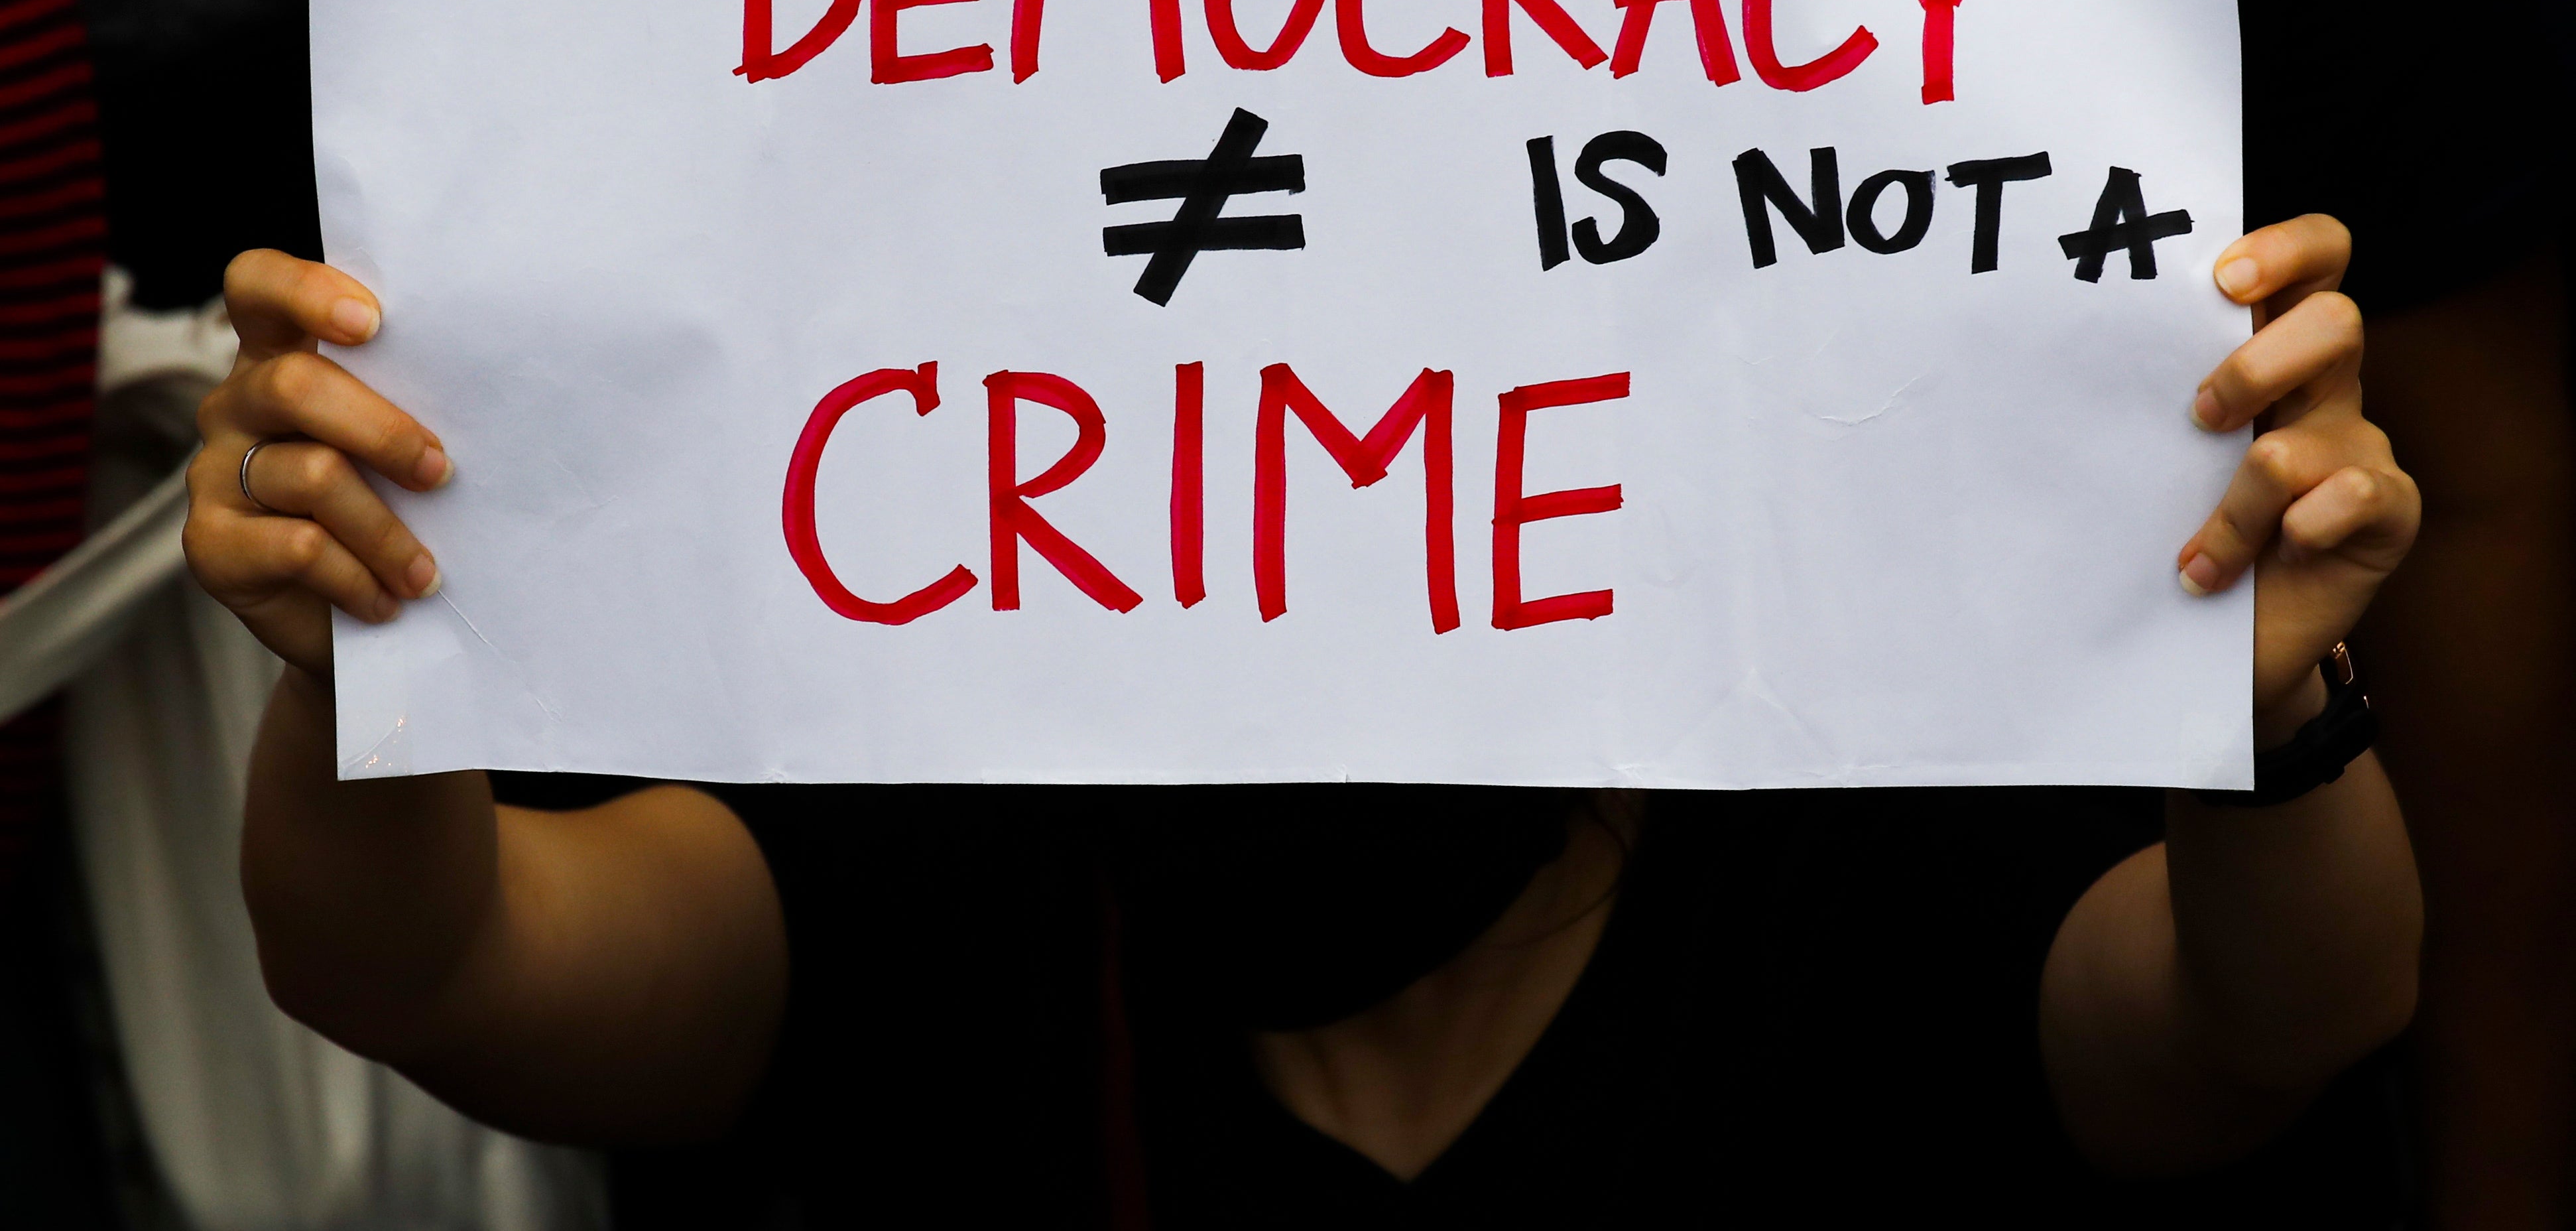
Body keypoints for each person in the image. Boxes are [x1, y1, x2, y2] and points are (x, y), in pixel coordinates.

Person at [190, 214, 2420, 1222]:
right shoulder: (958, 843)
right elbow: (437, 963)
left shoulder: (1836, 823)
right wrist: (371, 642)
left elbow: (2260, 1023)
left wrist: (2277, 704)